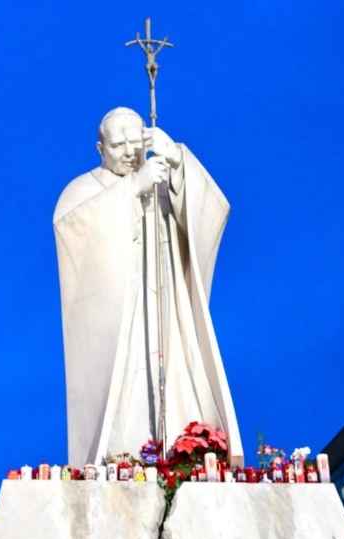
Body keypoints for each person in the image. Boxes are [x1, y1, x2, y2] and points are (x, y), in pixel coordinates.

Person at [53, 107, 242, 466]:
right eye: (118, 144)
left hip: (167, 309)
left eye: (135, 142)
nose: (129, 152)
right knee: (126, 397)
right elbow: (73, 234)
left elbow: (211, 212)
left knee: (177, 374)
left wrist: (177, 161)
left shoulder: (159, 178)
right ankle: (123, 457)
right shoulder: (82, 191)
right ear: (100, 148)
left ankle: (185, 448)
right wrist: (130, 191)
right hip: (118, 316)